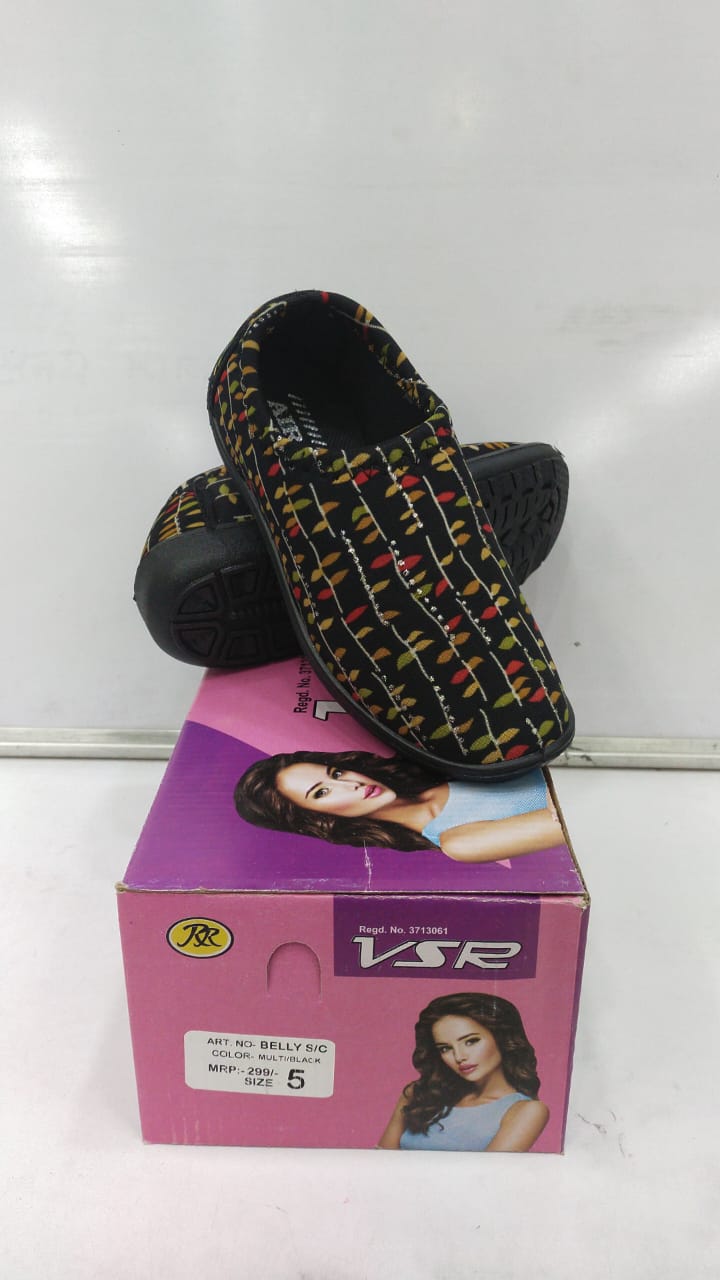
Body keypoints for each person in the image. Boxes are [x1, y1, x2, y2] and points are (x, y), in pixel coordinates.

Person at [234, 748, 561, 862]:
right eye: (322, 793)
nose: (351, 784)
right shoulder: (460, 842)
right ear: (317, 819)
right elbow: (573, 819)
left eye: (335, 773)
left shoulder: (436, 766)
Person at [377, 992, 549, 1152]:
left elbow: (488, 1174)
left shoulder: (526, 1111)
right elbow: (379, 1162)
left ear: (502, 1038)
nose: (459, 1057)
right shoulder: (418, 1094)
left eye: (471, 1041)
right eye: (445, 1048)